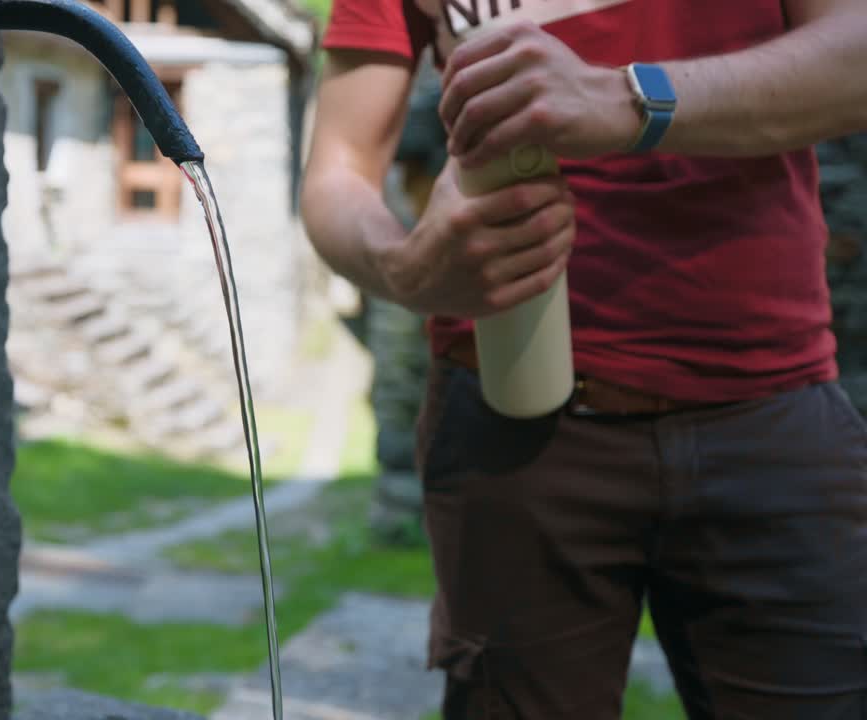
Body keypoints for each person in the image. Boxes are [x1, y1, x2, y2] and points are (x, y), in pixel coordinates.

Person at [299, 1, 867, 717]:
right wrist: (403, 268)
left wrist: (627, 99)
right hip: (512, 414)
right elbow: (337, 173)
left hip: (770, 408)